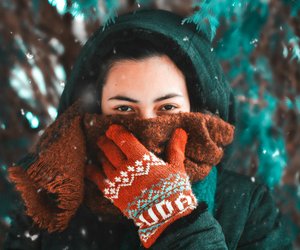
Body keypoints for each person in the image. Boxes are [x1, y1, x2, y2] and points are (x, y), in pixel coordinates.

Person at [4, 8, 292, 250]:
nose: (148, 128)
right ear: (94, 112)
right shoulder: (48, 203)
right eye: (124, 109)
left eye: (167, 108)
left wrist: (176, 222)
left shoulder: (247, 208)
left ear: (197, 108)